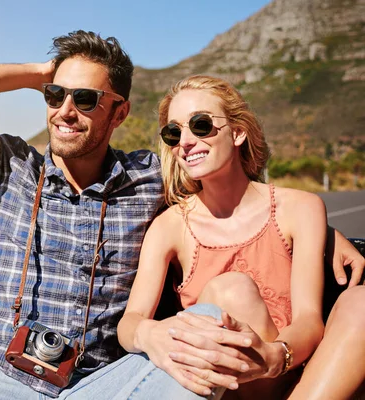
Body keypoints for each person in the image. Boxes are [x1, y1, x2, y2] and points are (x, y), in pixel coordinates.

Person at [0, 30, 364, 399]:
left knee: (200, 337)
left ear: (120, 112)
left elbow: (225, 192)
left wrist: (322, 233)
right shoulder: (7, 165)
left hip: (103, 384)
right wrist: (41, 74)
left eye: (87, 99)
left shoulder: (148, 180)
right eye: (55, 96)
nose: (65, 111)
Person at [117, 75, 365, 400]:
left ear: (237, 133)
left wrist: (276, 357)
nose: (186, 142)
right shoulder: (169, 227)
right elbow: (130, 322)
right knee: (231, 291)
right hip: (226, 388)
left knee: (361, 303)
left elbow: (308, 320)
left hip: (299, 376)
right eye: (174, 133)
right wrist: (150, 333)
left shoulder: (299, 208)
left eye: (201, 125)